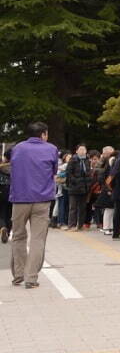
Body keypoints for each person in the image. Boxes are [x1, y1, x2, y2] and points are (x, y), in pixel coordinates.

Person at [8, 123, 59, 288]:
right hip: (42, 200)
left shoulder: (18, 148)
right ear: (43, 134)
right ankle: (31, 278)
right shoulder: (51, 149)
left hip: (19, 198)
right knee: (38, 239)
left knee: (18, 236)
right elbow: (54, 171)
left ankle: (18, 274)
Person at [65, 145, 90, 230]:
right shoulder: (73, 160)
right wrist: (76, 181)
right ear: (76, 151)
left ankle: (80, 225)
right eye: (81, 149)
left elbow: (88, 173)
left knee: (82, 208)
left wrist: (88, 183)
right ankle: (71, 225)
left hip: (84, 187)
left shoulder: (87, 160)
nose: (82, 151)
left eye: (84, 149)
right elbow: (68, 173)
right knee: (73, 207)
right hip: (74, 187)